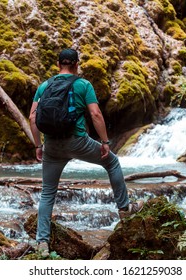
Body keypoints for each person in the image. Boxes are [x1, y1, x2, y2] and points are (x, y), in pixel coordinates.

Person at [29, 48, 143, 257]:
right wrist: (105, 142)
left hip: (52, 146)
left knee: (47, 193)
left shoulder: (44, 86)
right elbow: (96, 114)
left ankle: (42, 244)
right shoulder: (83, 85)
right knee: (112, 163)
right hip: (78, 142)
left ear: (58, 65)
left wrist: (38, 145)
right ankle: (125, 211)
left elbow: (32, 118)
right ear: (76, 65)